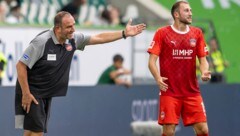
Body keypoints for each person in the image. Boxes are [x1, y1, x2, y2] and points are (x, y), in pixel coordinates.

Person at [15, 11, 146, 136]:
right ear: (58, 28)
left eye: (73, 25)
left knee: (31, 131)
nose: (73, 29)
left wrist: (123, 33)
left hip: (45, 93)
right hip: (32, 91)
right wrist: (26, 94)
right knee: (37, 131)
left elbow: (98, 37)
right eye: (68, 27)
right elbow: (20, 65)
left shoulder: (73, 39)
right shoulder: (41, 42)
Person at [147, 1, 211, 136]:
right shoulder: (162, 33)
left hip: (192, 92)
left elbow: (203, 60)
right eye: (186, 11)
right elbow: (151, 62)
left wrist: (205, 71)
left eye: (191, 10)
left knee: (203, 130)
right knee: (169, 132)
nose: (190, 13)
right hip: (170, 92)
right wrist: (157, 78)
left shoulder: (197, 33)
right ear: (176, 14)